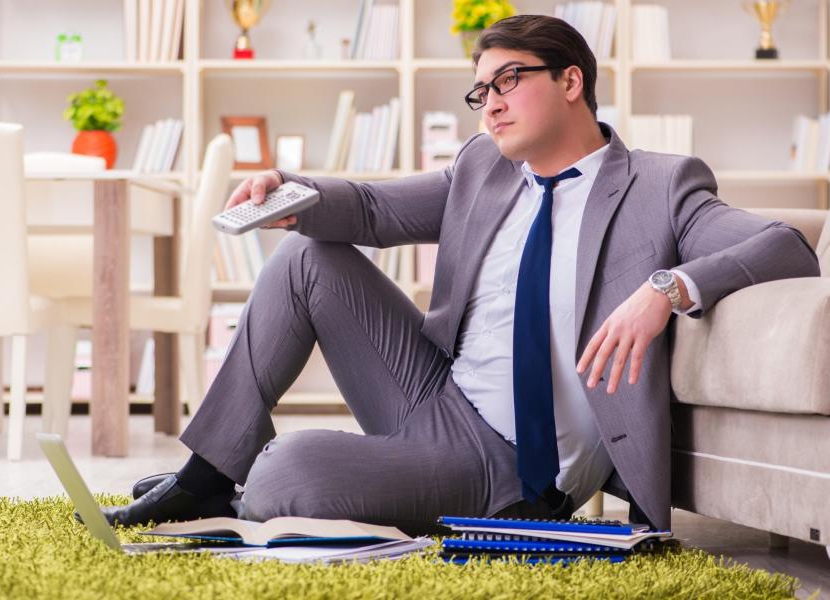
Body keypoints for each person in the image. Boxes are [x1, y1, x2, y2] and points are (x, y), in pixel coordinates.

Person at [94, 14, 819, 533]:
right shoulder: (484, 169)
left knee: (287, 474)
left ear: (573, 81)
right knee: (307, 258)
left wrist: (667, 291)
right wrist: (292, 191)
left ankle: (255, 480)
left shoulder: (659, 187)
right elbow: (375, 209)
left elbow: (786, 245)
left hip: (508, 464)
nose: (491, 102)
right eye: (481, 91)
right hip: (435, 391)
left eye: (509, 79)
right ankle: (204, 480)